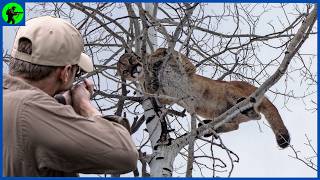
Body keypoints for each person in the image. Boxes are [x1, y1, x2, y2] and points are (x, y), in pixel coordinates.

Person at [3, 16, 138, 176]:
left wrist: (59, 105)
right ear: (66, 73)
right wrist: (84, 106)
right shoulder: (29, 108)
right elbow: (125, 154)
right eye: (77, 71)